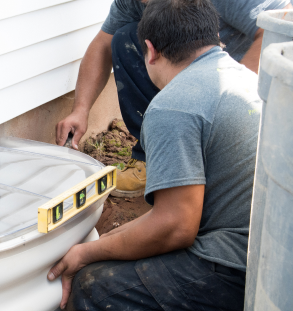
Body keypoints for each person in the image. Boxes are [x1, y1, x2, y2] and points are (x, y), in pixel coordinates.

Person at [47, 0, 264, 309]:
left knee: (94, 287)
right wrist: (103, 243)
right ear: (214, 37)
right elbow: (172, 217)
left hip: (237, 270)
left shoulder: (173, 106)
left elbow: (175, 228)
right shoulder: (247, 78)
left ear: (149, 49)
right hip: (271, 253)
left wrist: (85, 254)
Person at [55, 0, 291, 198]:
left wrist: (236, 91)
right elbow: (101, 45)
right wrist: (81, 110)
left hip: (250, 80)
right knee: (124, 38)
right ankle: (157, 163)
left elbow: (285, 27)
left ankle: (219, 164)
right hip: (198, 71)